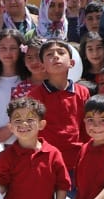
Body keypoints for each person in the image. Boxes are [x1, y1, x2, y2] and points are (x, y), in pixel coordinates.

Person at [25, 39, 90, 170]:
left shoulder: (82, 92)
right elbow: (31, 131)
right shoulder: (34, 96)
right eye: (49, 54)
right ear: (42, 65)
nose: (55, 56)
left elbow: (87, 126)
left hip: (77, 160)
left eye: (61, 52)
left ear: (72, 63)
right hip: (47, 161)